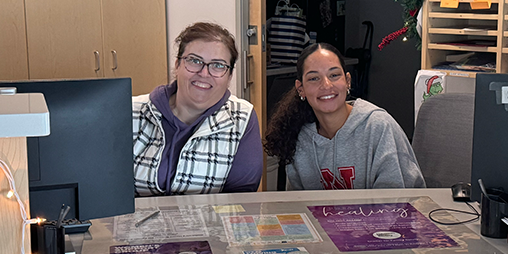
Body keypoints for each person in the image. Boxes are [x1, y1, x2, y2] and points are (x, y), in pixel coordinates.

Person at [264, 43, 425, 190]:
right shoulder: (299, 135)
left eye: (334, 75)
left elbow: (396, 203)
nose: (326, 85)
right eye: (314, 78)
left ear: (347, 81)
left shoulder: (379, 126)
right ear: (301, 89)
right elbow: (297, 203)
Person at [133, 22, 262, 195]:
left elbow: (240, 199)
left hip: (210, 215)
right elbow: (109, 186)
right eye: (195, 61)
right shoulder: (132, 111)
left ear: (230, 75)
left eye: (218, 65)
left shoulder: (242, 117)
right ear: (177, 65)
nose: (204, 73)